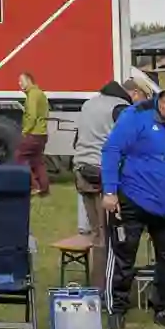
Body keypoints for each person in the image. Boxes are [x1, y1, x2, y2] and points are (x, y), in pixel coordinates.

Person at [101, 82, 165, 329]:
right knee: (124, 254)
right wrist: (110, 191)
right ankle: (117, 308)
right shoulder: (135, 116)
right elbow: (112, 150)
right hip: (133, 198)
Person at [70, 81, 128, 290]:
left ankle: (97, 286)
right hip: (105, 173)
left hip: (82, 171)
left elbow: (76, 141)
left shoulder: (88, 104)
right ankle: (107, 288)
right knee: (111, 236)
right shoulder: (121, 108)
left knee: (96, 234)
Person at [16, 70, 50, 197]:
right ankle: (44, 189)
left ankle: (34, 186)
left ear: (28, 80)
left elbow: (32, 115)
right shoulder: (40, 93)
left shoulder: (32, 95)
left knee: (19, 157)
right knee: (37, 161)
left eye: (21, 81)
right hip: (42, 133)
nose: (19, 84)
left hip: (34, 133)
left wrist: (25, 131)